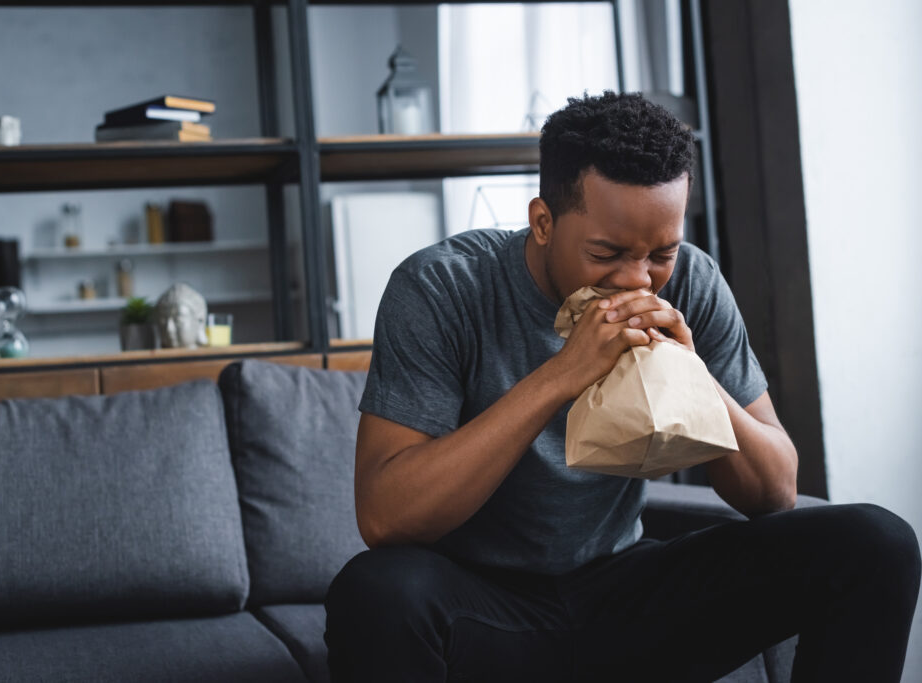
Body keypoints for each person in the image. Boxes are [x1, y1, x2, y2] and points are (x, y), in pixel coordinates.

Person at [324, 91, 920, 682]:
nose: (638, 279)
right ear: (542, 222)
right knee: (375, 592)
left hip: (627, 595)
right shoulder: (441, 289)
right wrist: (562, 374)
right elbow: (385, 517)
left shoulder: (691, 283)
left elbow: (774, 492)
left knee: (876, 543)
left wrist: (694, 378)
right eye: (606, 252)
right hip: (482, 607)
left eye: (661, 252)